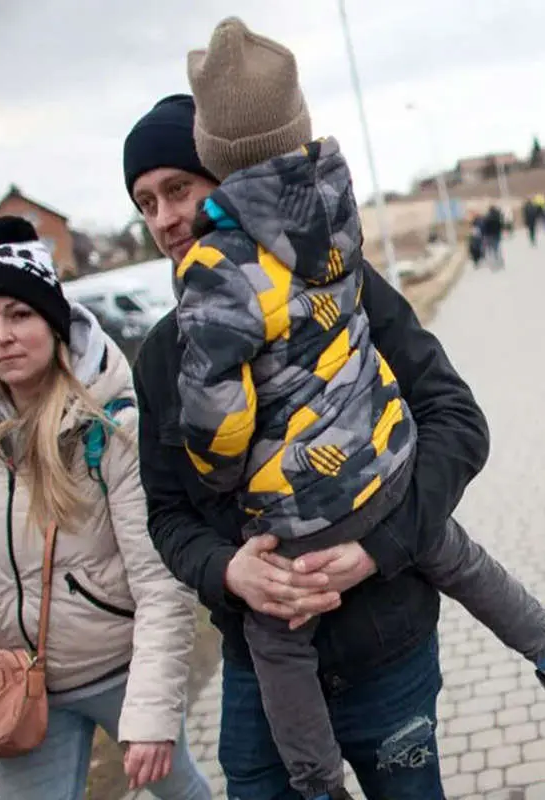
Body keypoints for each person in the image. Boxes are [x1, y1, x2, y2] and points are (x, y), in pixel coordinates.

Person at [175, 18, 545, 800]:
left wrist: (222, 470)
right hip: (385, 468)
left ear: (212, 155)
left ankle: (318, 784)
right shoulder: (334, 219)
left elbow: (218, 414)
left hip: (301, 513)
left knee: (279, 642)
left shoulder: (217, 267)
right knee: (460, 559)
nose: (169, 215)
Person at [122, 98, 496, 800]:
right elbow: (167, 517)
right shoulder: (161, 357)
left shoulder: (339, 288)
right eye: (146, 203)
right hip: (259, 677)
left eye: (178, 189)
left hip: (386, 650)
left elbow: (458, 422)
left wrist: (376, 549)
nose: (165, 218)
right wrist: (229, 572)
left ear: (228, 184)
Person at [0, 217, 210, 800]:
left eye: (19, 315)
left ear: (54, 322)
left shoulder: (112, 424)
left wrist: (151, 714)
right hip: (17, 681)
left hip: (119, 669)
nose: (1, 336)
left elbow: (159, 581)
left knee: (181, 792)